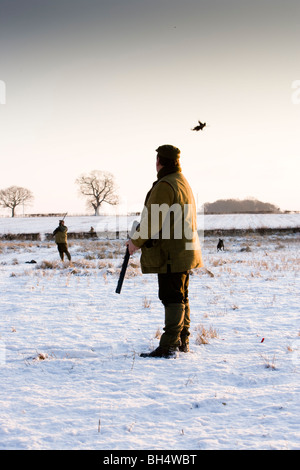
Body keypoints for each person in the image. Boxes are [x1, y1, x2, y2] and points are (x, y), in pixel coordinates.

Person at [126, 144, 203, 358]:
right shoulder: (182, 181)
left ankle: (169, 345)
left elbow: (152, 220)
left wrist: (136, 242)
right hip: (184, 250)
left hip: (171, 252)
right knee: (180, 296)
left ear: (160, 162)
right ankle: (181, 341)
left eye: (156, 160)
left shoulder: (165, 184)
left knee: (171, 297)